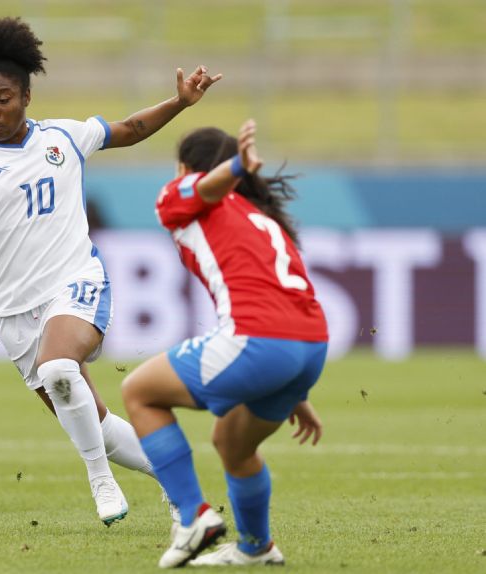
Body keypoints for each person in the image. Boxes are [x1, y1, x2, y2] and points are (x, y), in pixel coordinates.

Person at [0, 17, 222, 526]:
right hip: (13, 311)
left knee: (60, 370)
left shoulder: (64, 137)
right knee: (91, 421)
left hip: (76, 283)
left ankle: (100, 482)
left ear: (27, 94)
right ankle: (176, 482)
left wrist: (181, 103)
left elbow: (133, 128)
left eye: (3, 98)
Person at [121, 119, 328, 567]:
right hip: (309, 346)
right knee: (233, 444)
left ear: (186, 168)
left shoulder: (184, 192)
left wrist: (233, 165)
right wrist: (295, 388)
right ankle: (256, 546)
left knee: (138, 392)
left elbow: (207, 188)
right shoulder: (260, 217)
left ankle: (194, 515)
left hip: (260, 341)